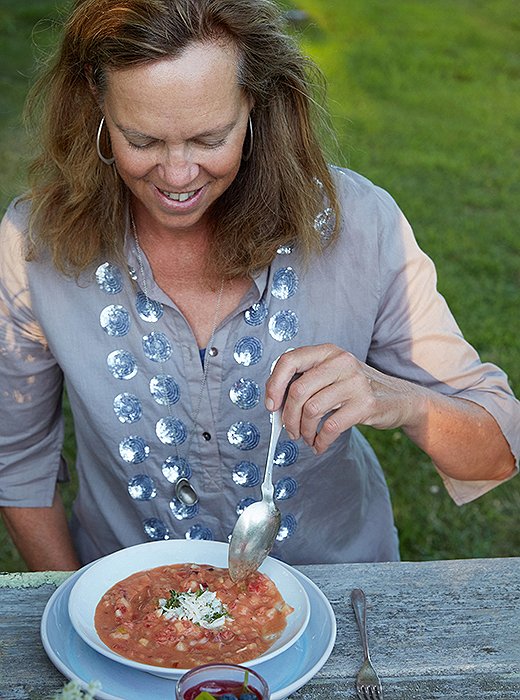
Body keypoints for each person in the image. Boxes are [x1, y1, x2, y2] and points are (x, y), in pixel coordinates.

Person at [0, 0, 518, 572]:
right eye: (141, 140)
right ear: (97, 105)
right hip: (133, 604)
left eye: (210, 138)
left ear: (257, 105)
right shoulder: (33, 245)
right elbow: (18, 462)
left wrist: (399, 400)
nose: (176, 175)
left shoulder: (362, 225)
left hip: (334, 598)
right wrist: (88, 616)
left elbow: (494, 455)